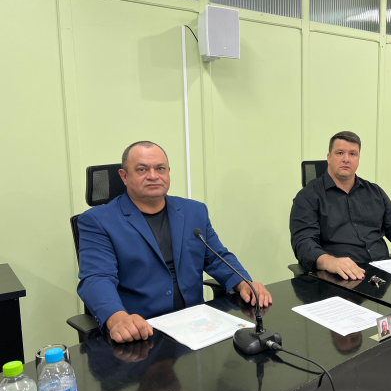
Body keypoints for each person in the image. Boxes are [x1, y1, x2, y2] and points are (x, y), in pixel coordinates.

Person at [77, 141, 272, 344]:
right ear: (124, 176)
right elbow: (96, 278)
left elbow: (217, 257)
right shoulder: (98, 221)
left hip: (196, 326)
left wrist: (244, 282)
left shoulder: (194, 211)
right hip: (142, 332)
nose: (153, 176)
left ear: (168, 172)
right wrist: (117, 318)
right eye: (142, 169)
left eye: (160, 168)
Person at [290, 131, 391, 281]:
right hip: (339, 277)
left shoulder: (374, 192)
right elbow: (303, 242)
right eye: (340, 153)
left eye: (353, 154)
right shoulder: (308, 197)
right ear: (329, 158)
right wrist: (329, 262)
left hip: (381, 274)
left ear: (358, 159)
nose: (346, 159)